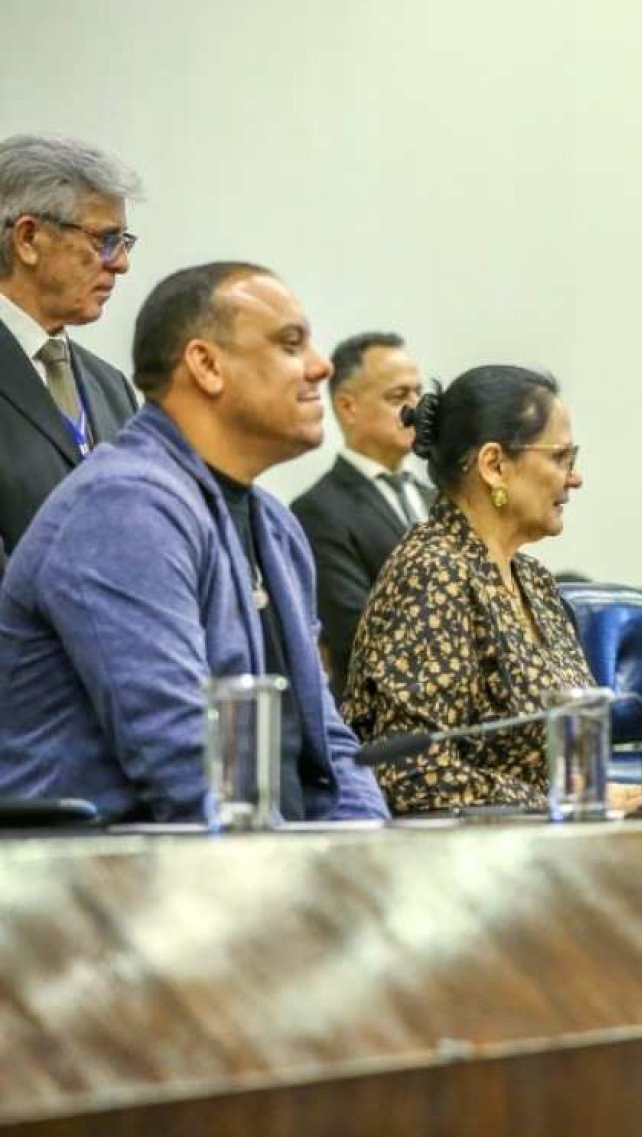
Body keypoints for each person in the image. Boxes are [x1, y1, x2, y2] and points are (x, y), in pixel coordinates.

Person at [0, 261, 387, 823]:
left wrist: (365, 851)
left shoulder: (274, 525)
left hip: (251, 861)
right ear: (205, 365)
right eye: (289, 344)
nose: (321, 367)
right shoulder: (123, 509)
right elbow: (184, 763)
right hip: (107, 884)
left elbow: (327, 748)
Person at [342, 365, 642, 814]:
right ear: (495, 465)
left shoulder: (534, 580)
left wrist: (600, 791)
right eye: (561, 458)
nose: (574, 478)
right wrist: (561, 799)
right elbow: (410, 774)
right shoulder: (433, 571)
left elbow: (542, 767)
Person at [0, 135, 143, 575]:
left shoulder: (111, 386)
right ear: (28, 238)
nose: (121, 263)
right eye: (105, 239)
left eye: (124, 242)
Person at [290, 331, 430, 699]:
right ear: (347, 407)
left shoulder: (442, 500)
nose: (415, 409)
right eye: (398, 396)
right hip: (379, 720)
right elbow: (357, 635)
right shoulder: (318, 509)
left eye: (418, 393)